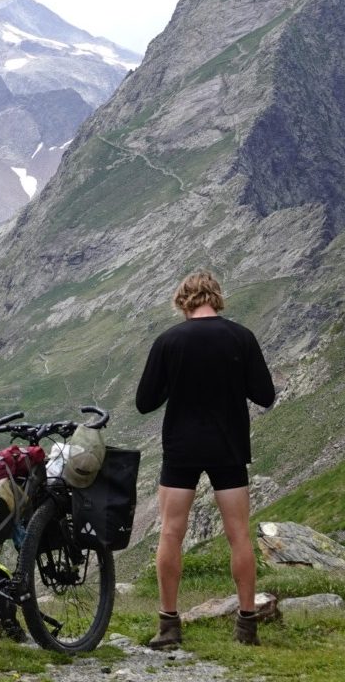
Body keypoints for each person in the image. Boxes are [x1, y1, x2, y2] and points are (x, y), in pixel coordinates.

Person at [135, 271, 276, 648]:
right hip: (228, 447)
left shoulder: (169, 341)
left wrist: (175, 381)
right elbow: (265, 395)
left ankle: (169, 626)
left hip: (181, 448)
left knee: (170, 532)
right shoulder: (240, 337)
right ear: (217, 297)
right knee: (238, 535)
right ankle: (247, 625)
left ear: (183, 301)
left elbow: (145, 402)